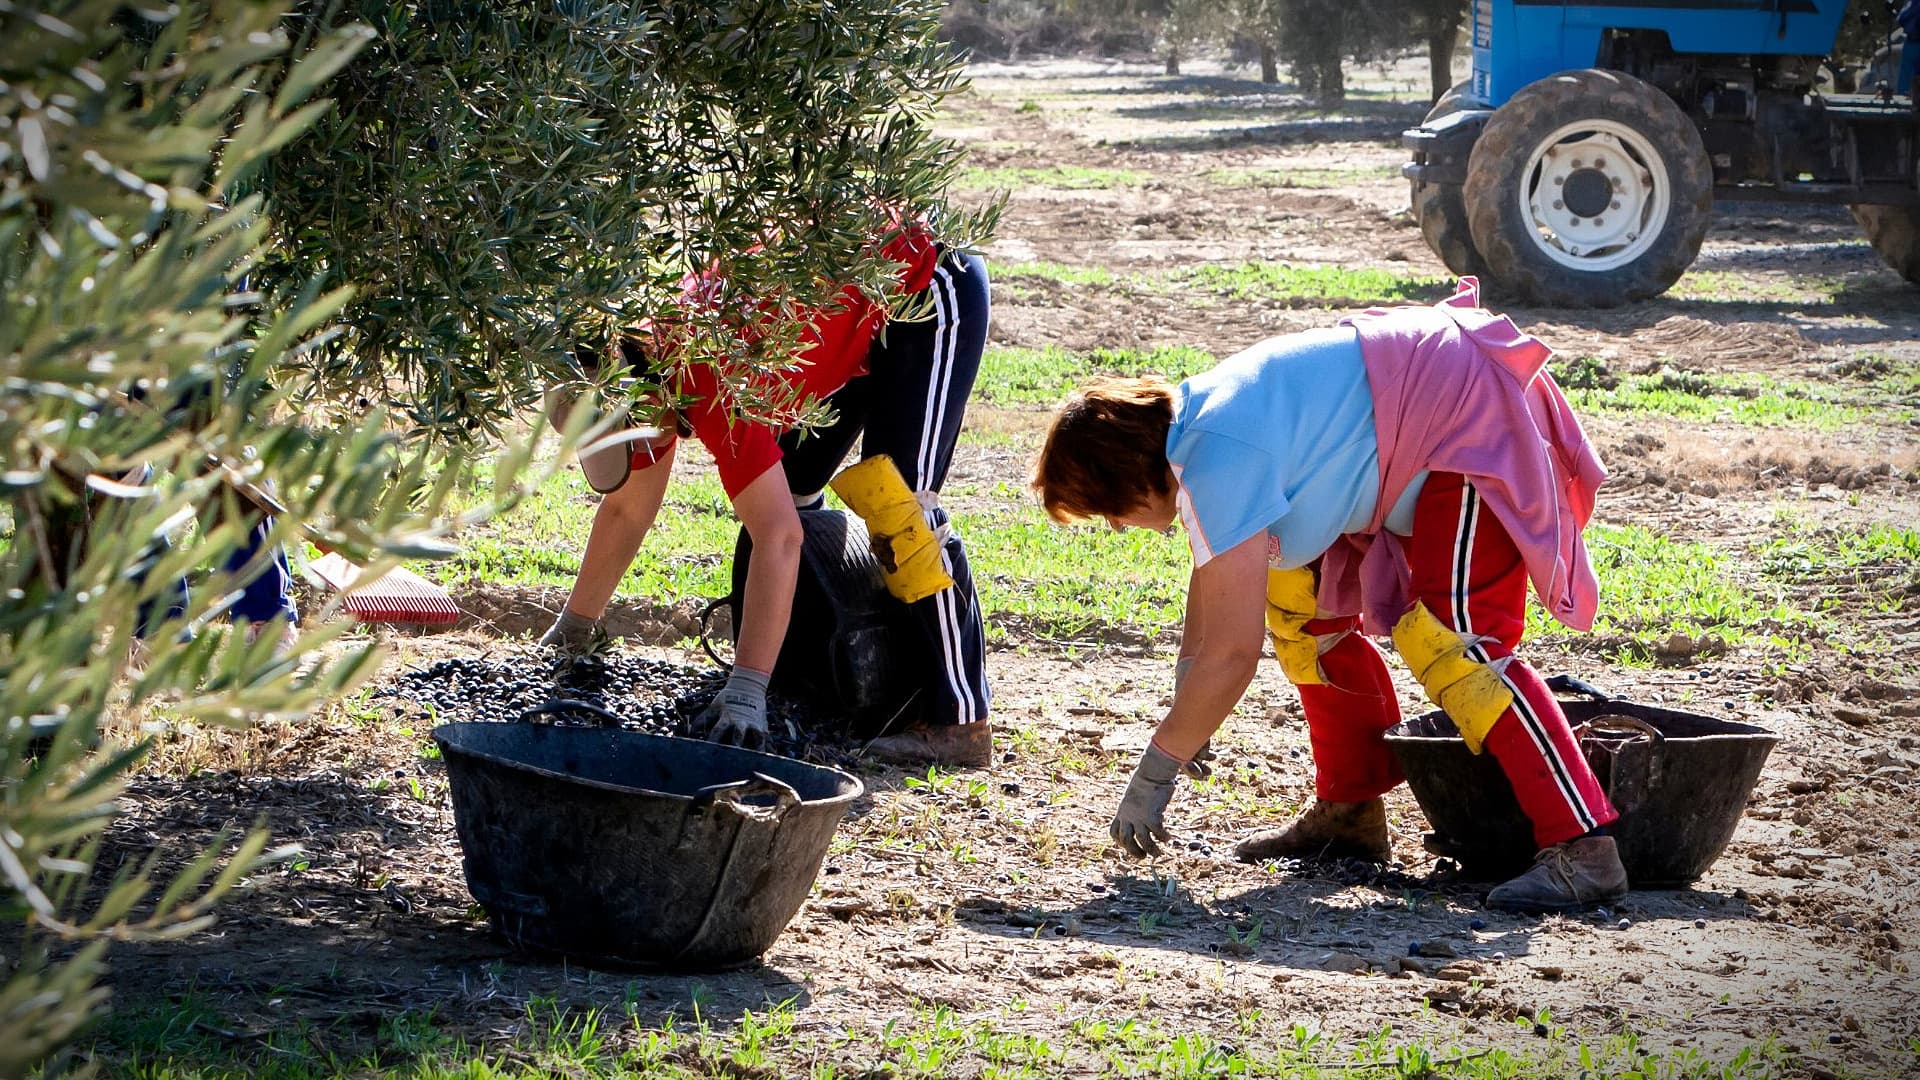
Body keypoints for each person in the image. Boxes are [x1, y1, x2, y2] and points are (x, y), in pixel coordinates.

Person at [1029, 279, 1624, 914]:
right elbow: (1212, 598)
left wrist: (1158, 767)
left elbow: (1231, 653)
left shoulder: (1216, 457)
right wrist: (1187, 709)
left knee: (1458, 645)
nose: (1118, 527)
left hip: (1469, 418)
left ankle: (1584, 848)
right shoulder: (1195, 437)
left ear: (1123, 478)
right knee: (1298, 607)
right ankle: (1350, 811)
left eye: (1107, 512)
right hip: (1426, 415)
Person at [542, 219, 993, 765]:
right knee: (796, 492)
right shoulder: (643, 370)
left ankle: (961, 723)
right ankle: (802, 667)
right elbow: (626, 508)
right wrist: (574, 629)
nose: (647, 449)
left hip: (920, 291)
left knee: (899, 505)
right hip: (843, 319)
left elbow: (777, 538)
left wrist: (745, 689)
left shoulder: (705, 375)